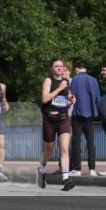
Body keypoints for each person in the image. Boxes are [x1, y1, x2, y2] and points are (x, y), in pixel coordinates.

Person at [38, 59, 76, 191]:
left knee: (64, 148)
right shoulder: (48, 80)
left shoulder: (67, 81)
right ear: (51, 68)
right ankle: (41, 170)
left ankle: (66, 179)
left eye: (61, 66)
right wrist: (60, 88)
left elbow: (67, 95)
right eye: (56, 66)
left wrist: (71, 98)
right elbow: (44, 99)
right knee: (49, 149)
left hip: (63, 118)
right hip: (49, 119)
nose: (59, 68)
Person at [69, 60, 100, 176]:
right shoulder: (93, 80)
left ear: (77, 68)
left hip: (78, 114)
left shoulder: (75, 79)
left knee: (76, 142)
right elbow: (97, 99)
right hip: (90, 115)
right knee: (91, 142)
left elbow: (72, 96)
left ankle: (77, 169)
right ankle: (92, 169)